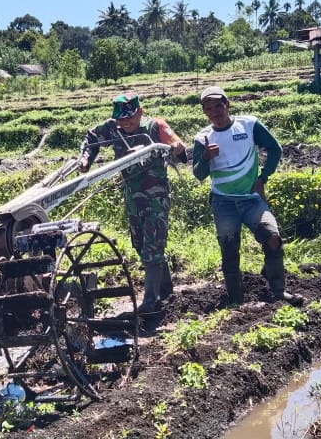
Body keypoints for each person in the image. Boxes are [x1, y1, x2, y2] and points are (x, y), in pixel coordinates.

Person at [191, 86, 304, 307]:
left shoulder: (249, 124)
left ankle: (278, 291)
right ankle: (236, 298)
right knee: (229, 249)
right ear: (204, 112)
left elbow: (275, 149)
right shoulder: (203, 137)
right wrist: (205, 157)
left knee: (272, 238)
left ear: (227, 104)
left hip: (251, 198)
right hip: (223, 202)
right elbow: (198, 174)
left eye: (218, 105)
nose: (215, 111)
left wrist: (263, 178)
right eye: (208, 108)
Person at [79, 91, 188, 313]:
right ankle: (165, 290)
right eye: (121, 119)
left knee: (152, 248)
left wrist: (176, 146)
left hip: (155, 197)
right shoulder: (112, 127)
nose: (126, 123)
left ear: (140, 112)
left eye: (130, 118)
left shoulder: (154, 126)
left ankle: (150, 302)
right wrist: (86, 158)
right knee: (141, 245)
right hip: (132, 197)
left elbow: (176, 143)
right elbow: (91, 137)